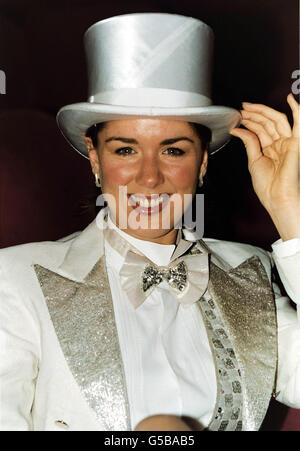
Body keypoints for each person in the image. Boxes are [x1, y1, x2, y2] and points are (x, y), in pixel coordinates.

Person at [0, 13, 299, 432]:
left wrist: (291, 215)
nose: (149, 177)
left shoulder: (250, 270)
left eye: (174, 151)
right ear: (95, 157)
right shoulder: (15, 279)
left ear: (203, 162)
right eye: (125, 151)